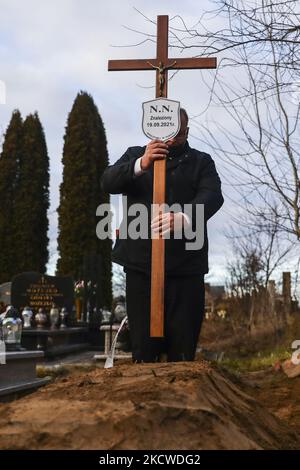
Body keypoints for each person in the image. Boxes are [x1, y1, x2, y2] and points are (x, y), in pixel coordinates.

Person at [101, 109, 223, 363]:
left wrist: (186, 217)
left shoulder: (201, 161)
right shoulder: (136, 154)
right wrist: (141, 164)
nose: (171, 135)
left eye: (178, 130)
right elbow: (108, 182)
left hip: (186, 268)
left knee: (182, 346)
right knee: (144, 347)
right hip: (141, 266)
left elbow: (212, 195)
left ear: (186, 132)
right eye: (166, 129)